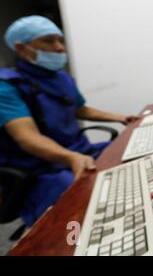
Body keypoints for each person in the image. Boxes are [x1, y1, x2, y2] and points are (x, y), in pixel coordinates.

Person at [0, 15, 139, 226]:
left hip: (78, 151)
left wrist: (120, 117)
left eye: (59, 40)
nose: (59, 48)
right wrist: (71, 158)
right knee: (79, 204)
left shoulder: (61, 78)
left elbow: (80, 109)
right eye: (48, 41)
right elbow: (27, 138)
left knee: (128, 154)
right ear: (21, 48)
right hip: (42, 169)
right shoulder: (7, 87)